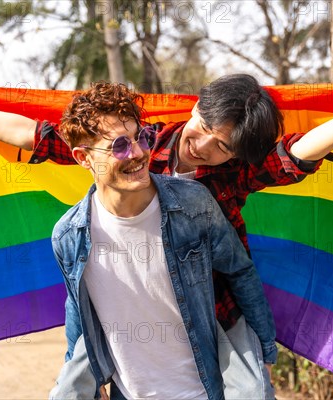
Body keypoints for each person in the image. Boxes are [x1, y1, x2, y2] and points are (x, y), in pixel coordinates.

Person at [0, 67, 333, 398]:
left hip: (212, 311)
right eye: (205, 130)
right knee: (80, 375)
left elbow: (298, 153)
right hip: (125, 308)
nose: (205, 147)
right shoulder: (137, 141)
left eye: (224, 146)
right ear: (195, 110)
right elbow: (35, 135)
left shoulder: (230, 173)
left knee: (248, 392)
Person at [49, 81, 276, 399]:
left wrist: (265, 353)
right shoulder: (68, 236)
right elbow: (77, 308)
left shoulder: (194, 204)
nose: (140, 153)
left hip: (204, 389)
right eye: (120, 146)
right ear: (83, 158)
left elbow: (240, 272)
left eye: (139, 138)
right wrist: (87, 374)